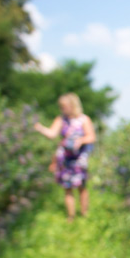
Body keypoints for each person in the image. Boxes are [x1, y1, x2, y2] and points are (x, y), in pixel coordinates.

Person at [34, 93, 96, 221]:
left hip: (79, 158)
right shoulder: (61, 119)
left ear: (73, 105)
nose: (62, 109)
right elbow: (52, 133)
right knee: (67, 187)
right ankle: (71, 217)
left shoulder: (84, 119)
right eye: (61, 107)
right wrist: (40, 128)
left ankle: (84, 214)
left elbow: (91, 137)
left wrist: (81, 140)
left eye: (64, 106)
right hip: (65, 158)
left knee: (81, 187)